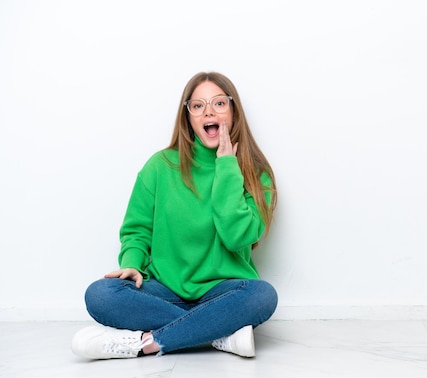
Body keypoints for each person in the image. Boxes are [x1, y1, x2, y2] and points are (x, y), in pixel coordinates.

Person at [71, 71, 278, 360]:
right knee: (101, 294)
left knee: (262, 296)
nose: (208, 111)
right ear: (188, 117)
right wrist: (131, 263)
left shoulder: (256, 174)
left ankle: (146, 343)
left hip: (223, 290)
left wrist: (228, 167)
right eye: (197, 105)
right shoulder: (160, 166)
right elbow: (137, 231)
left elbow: (236, 237)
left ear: (233, 112)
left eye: (219, 103)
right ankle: (219, 332)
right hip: (165, 288)